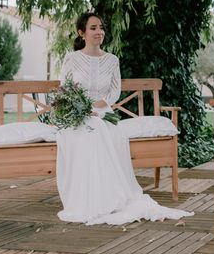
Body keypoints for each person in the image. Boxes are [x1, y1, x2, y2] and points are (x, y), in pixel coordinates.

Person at [55, 12, 193, 225]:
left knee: (103, 127)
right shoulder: (71, 59)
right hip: (78, 115)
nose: (99, 32)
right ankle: (89, 199)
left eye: (101, 27)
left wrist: (97, 107)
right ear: (81, 32)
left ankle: (110, 196)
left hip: (103, 111)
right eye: (93, 28)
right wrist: (81, 109)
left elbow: (113, 92)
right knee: (91, 130)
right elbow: (65, 89)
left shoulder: (112, 60)